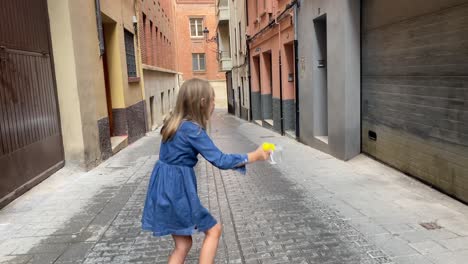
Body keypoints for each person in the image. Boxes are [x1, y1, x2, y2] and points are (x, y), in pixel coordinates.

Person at [141, 78, 270, 264]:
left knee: (183, 245)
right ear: (202, 103)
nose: (214, 104)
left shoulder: (173, 125)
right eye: (212, 100)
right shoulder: (193, 130)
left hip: (164, 190)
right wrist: (254, 156)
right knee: (214, 230)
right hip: (178, 193)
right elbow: (220, 160)